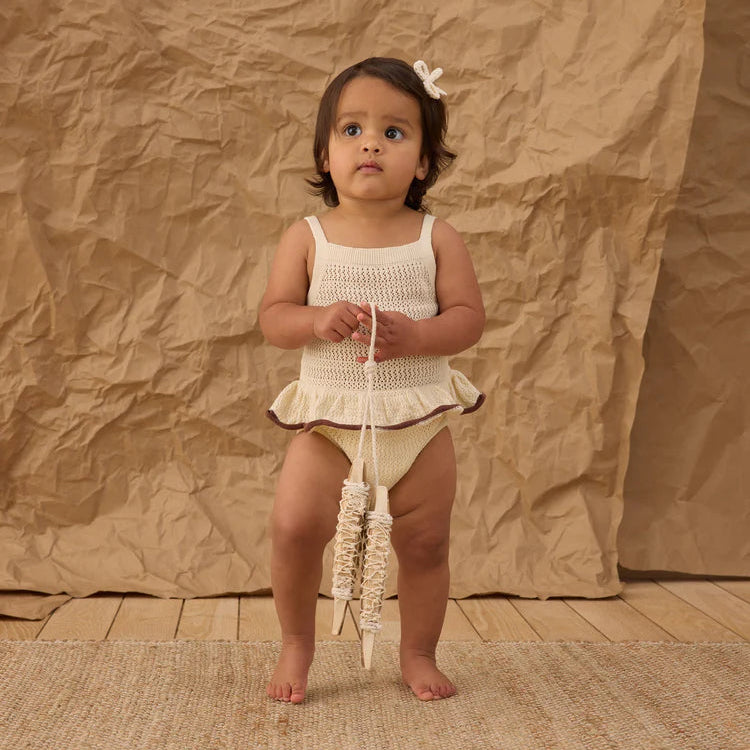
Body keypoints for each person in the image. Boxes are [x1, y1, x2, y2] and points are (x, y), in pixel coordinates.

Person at [259, 57, 485, 704]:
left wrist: (417, 336)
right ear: (325, 155)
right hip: (329, 426)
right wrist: (313, 319)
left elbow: (468, 318)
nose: (371, 145)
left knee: (427, 543)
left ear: (423, 162)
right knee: (293, 529)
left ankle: (418, 652)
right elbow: (273, 318)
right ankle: (296, 643)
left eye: (394, 132)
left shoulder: (436, 237)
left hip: (417, 423)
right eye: (352, 130)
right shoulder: (308, 238)